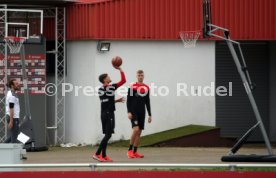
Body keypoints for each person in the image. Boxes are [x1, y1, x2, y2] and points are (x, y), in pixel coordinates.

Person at [92, 67, 126, 162]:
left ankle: (104, 155)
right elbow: (123, 80)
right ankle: (97, 154)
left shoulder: (100, 89)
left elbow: (106, 101)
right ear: (105, 79)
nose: (110, 77)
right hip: (108, 114)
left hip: (104, 113)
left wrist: (116, 101)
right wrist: (120, 69)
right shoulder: (111, 87)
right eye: (108, 76)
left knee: (108, 134)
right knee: (108, 135)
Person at [127, 70, 152, 158]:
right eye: (139, 75)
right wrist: (129, 112)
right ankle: (129, 150)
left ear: (143, 76)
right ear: (136, 76)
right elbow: (129, 100)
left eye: (142, 75)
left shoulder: (146, 87)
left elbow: (147, 101)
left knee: (139, 132)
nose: (140, 76)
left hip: (142, 112)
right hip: (134, 111)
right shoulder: (132, 86)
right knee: (136, 129)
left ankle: (135, 151)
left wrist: (150, 114)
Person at [4, 79, 21, 143]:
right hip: (13, 118)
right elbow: (11, 108)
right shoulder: (11, 96)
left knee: (14, 135)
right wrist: (11, 121)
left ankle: (2, 148)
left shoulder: (12, 93)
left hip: (14, 118)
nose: (18, 84)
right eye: (16, 84)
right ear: (12, 86)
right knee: (14, 139)